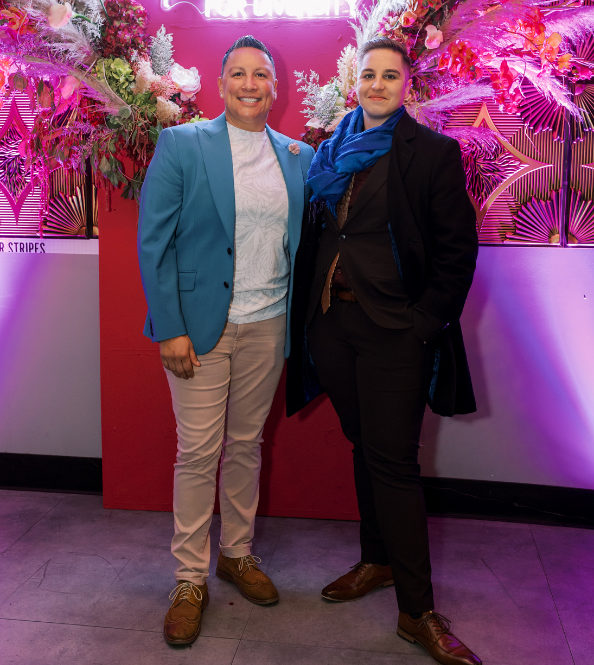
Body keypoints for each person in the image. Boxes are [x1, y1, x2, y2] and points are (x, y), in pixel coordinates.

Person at [287, 36, 481, 665]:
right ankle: (376, 560)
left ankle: (417, 610)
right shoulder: (329, 152)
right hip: (331, 328)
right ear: (355, 81)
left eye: (389, 76)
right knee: (364, 447)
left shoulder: (431, 153)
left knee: (393, 461)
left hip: (397, 331)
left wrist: (423, 323)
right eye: (367, 74)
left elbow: (457, 255)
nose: (376, 84)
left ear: (406, 86)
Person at [138, 35, 314, 645]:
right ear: (220, 84)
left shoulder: (297, 155)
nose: (248, 84)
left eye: (259, 75)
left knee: (244, 446)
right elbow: (152, 242)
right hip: (200, 330)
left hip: (269, 324)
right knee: (197, 452)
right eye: (237, 74)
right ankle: (189, 577)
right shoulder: (183, 144)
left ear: (274, 86)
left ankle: (236, 554)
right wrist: (171, 328)